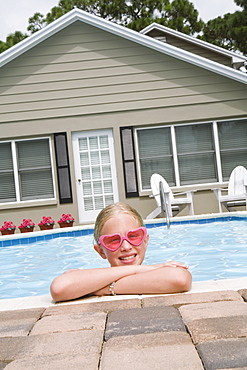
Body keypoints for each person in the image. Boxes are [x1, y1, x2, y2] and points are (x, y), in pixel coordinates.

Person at [50, 202, 192, 302]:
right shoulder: (152, 270)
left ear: (145, 240)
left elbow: (180, 279)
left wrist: (100, 289)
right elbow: (59, 288)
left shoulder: (91, 281)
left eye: (133, 236)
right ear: (101, 251)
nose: (125, 246)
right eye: (113, 240)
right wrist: (140, 269)